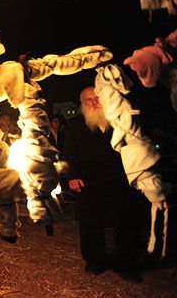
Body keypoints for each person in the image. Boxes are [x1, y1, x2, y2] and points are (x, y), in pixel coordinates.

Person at [63, 87, 146, 283]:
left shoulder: (122, 120)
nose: (94, 102)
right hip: (89, 181)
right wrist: (73, 176)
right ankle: (95, 262)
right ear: (83, 104)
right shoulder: (75, 125)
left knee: (127, 223)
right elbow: (70, 153)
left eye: (97, 98)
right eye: (88, 100)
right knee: (90, 225)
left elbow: (139, 146)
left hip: (122, 179)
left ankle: (126, 265)